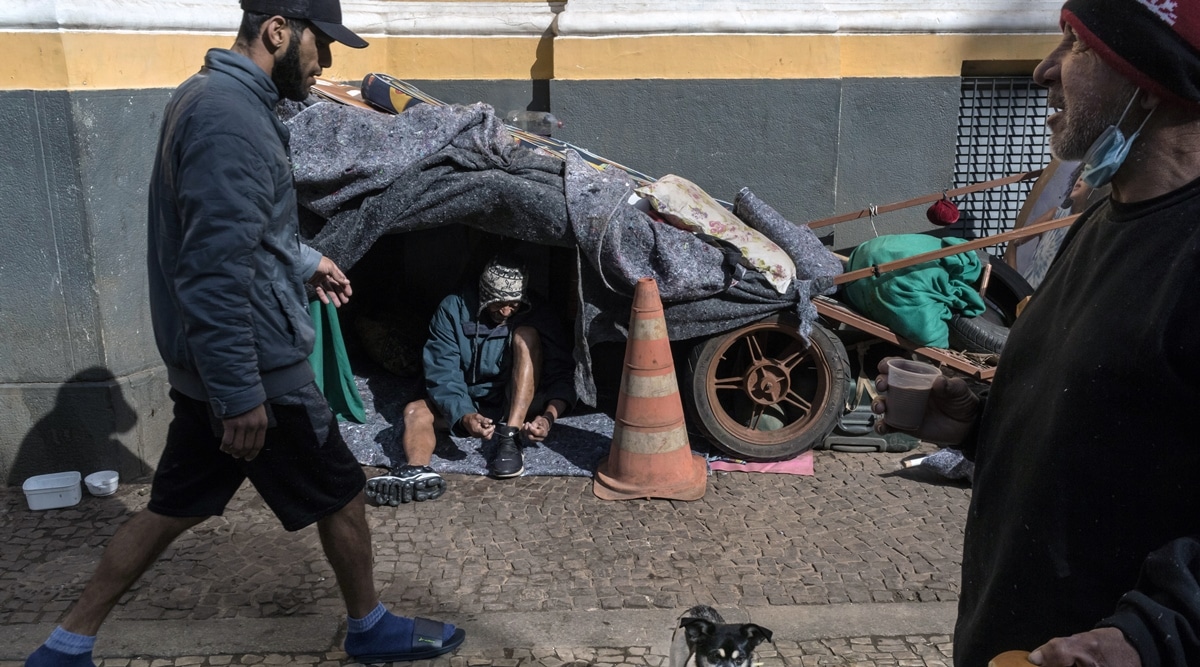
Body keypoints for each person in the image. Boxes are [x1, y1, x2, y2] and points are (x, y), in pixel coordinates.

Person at [24, 1, 466, 665]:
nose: (329, 62)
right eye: (321, 43)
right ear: (278, 31)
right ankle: (370, 627)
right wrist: (238, 394)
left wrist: (301, 259)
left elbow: (239, 234)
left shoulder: (213, 99)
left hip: (224, 369)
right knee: (342, 490)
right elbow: (209, 273)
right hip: (257, 372)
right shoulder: (228, 120)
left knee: (173, 505)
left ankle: (66, 642)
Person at [873, 1, 1200, 665]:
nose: (1043, 71)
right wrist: (976, 421)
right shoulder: (1100, 223)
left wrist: (1150, 632)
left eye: (1076, 47)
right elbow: (1116, 430)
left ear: (1149, 81)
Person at [366, 254, 575, 503]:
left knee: (527, 336)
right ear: (484, 294)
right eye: (499, 304)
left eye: (514, 304)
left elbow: (562, 373)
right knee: (414, 411)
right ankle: (416, 472)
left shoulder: (537, 312)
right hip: (468, 401)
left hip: (519, 404)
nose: (507, 311)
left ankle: (510, 437)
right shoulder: (453, 309)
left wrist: (549, 418)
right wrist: (464, 415)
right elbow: (442, 371)